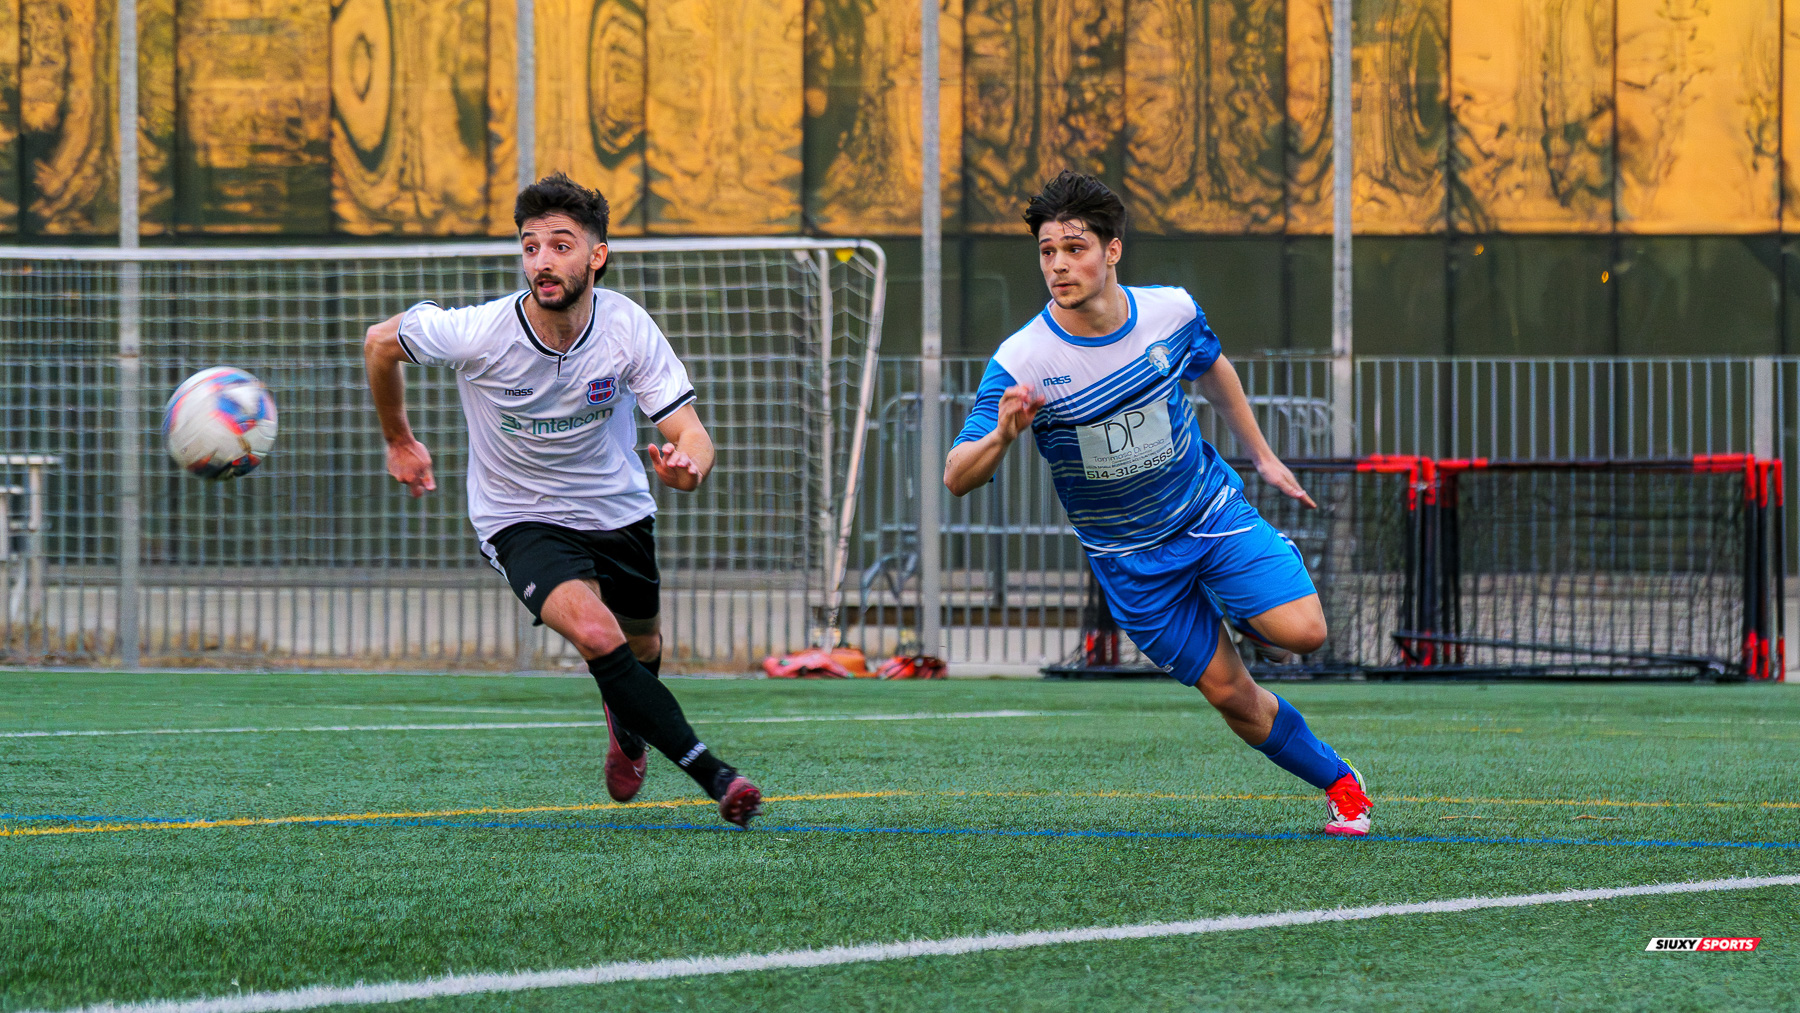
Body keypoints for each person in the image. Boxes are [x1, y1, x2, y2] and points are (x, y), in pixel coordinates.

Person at [943, 170, 1372, 835]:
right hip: (1131, 561)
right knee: (1232, 694)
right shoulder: (1023, 359)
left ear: (1113, 250)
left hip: (1209, 515)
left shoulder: (1170, 311)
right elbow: (956, 476)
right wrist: (1001, 435)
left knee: (1306, 635)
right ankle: (1342, 782)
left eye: (1075, 247)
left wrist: (1260, 454)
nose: (1059, 264)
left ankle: (1238, 604)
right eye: (1047, 251)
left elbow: (1213, 365)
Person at [362, 172, 763, 827]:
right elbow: (382, 342)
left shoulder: (627, 328)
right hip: (520, 517)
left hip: (618, 510)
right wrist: (399, 439)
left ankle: (627, 725)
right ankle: (716, 775)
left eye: (560, 245)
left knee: (640, 645)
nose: (542, 261)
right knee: (597, 633)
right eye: (529, 246)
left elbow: (690, 431)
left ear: (595, 256)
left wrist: (691, 465)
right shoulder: (480, 331)